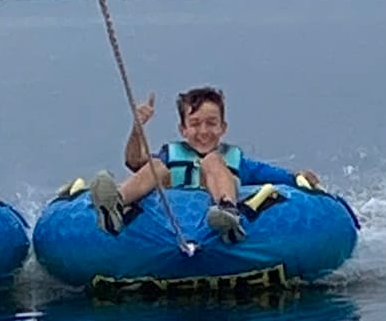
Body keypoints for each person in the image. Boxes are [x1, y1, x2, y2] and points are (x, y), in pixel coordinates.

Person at [84, 85, 320, 243]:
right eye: (195, 124)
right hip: (172, 219)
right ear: (183, 130)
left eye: (211, 123)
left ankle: (228, 213)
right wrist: (137, 128)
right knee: (156, 166)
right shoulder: (171, 155)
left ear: (223, 128)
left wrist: (300, 177)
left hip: (216, 212)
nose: (203, 131)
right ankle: (114, 206)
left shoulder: (236, 160)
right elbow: (134, 161)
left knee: (212, 161)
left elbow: (280, 178)